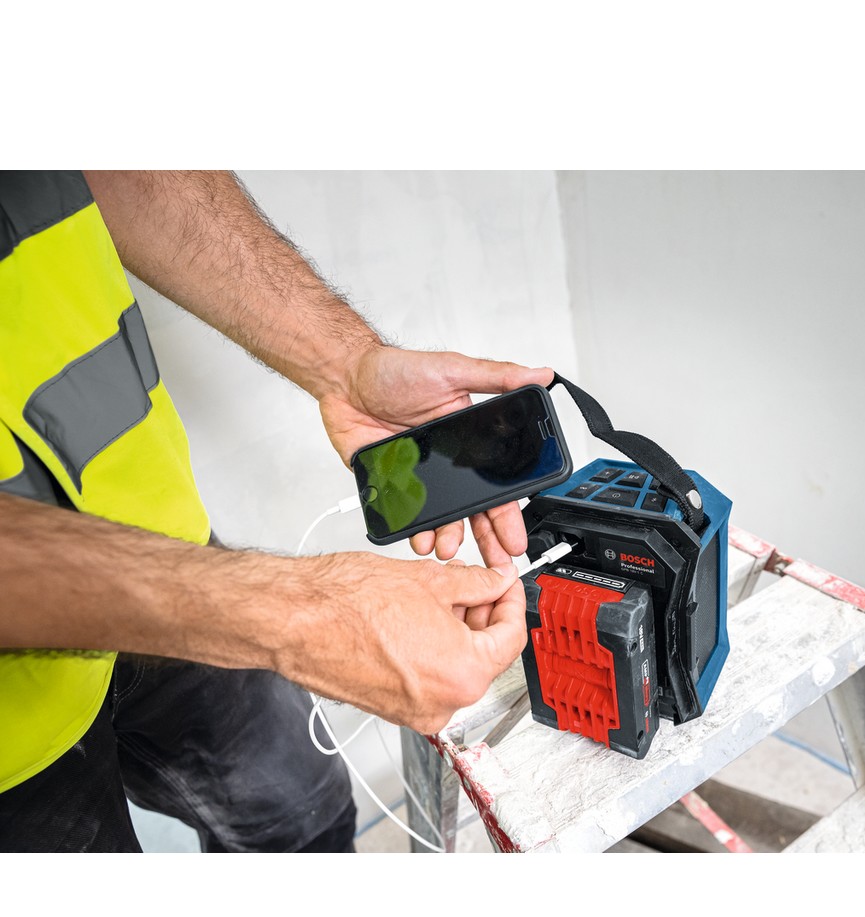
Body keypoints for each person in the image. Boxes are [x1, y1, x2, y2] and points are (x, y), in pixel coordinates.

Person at [0, 170, 549, 852]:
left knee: (305, 818)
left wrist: (346, 364)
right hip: (14, 736)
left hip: (164, 542)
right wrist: (309, 615)